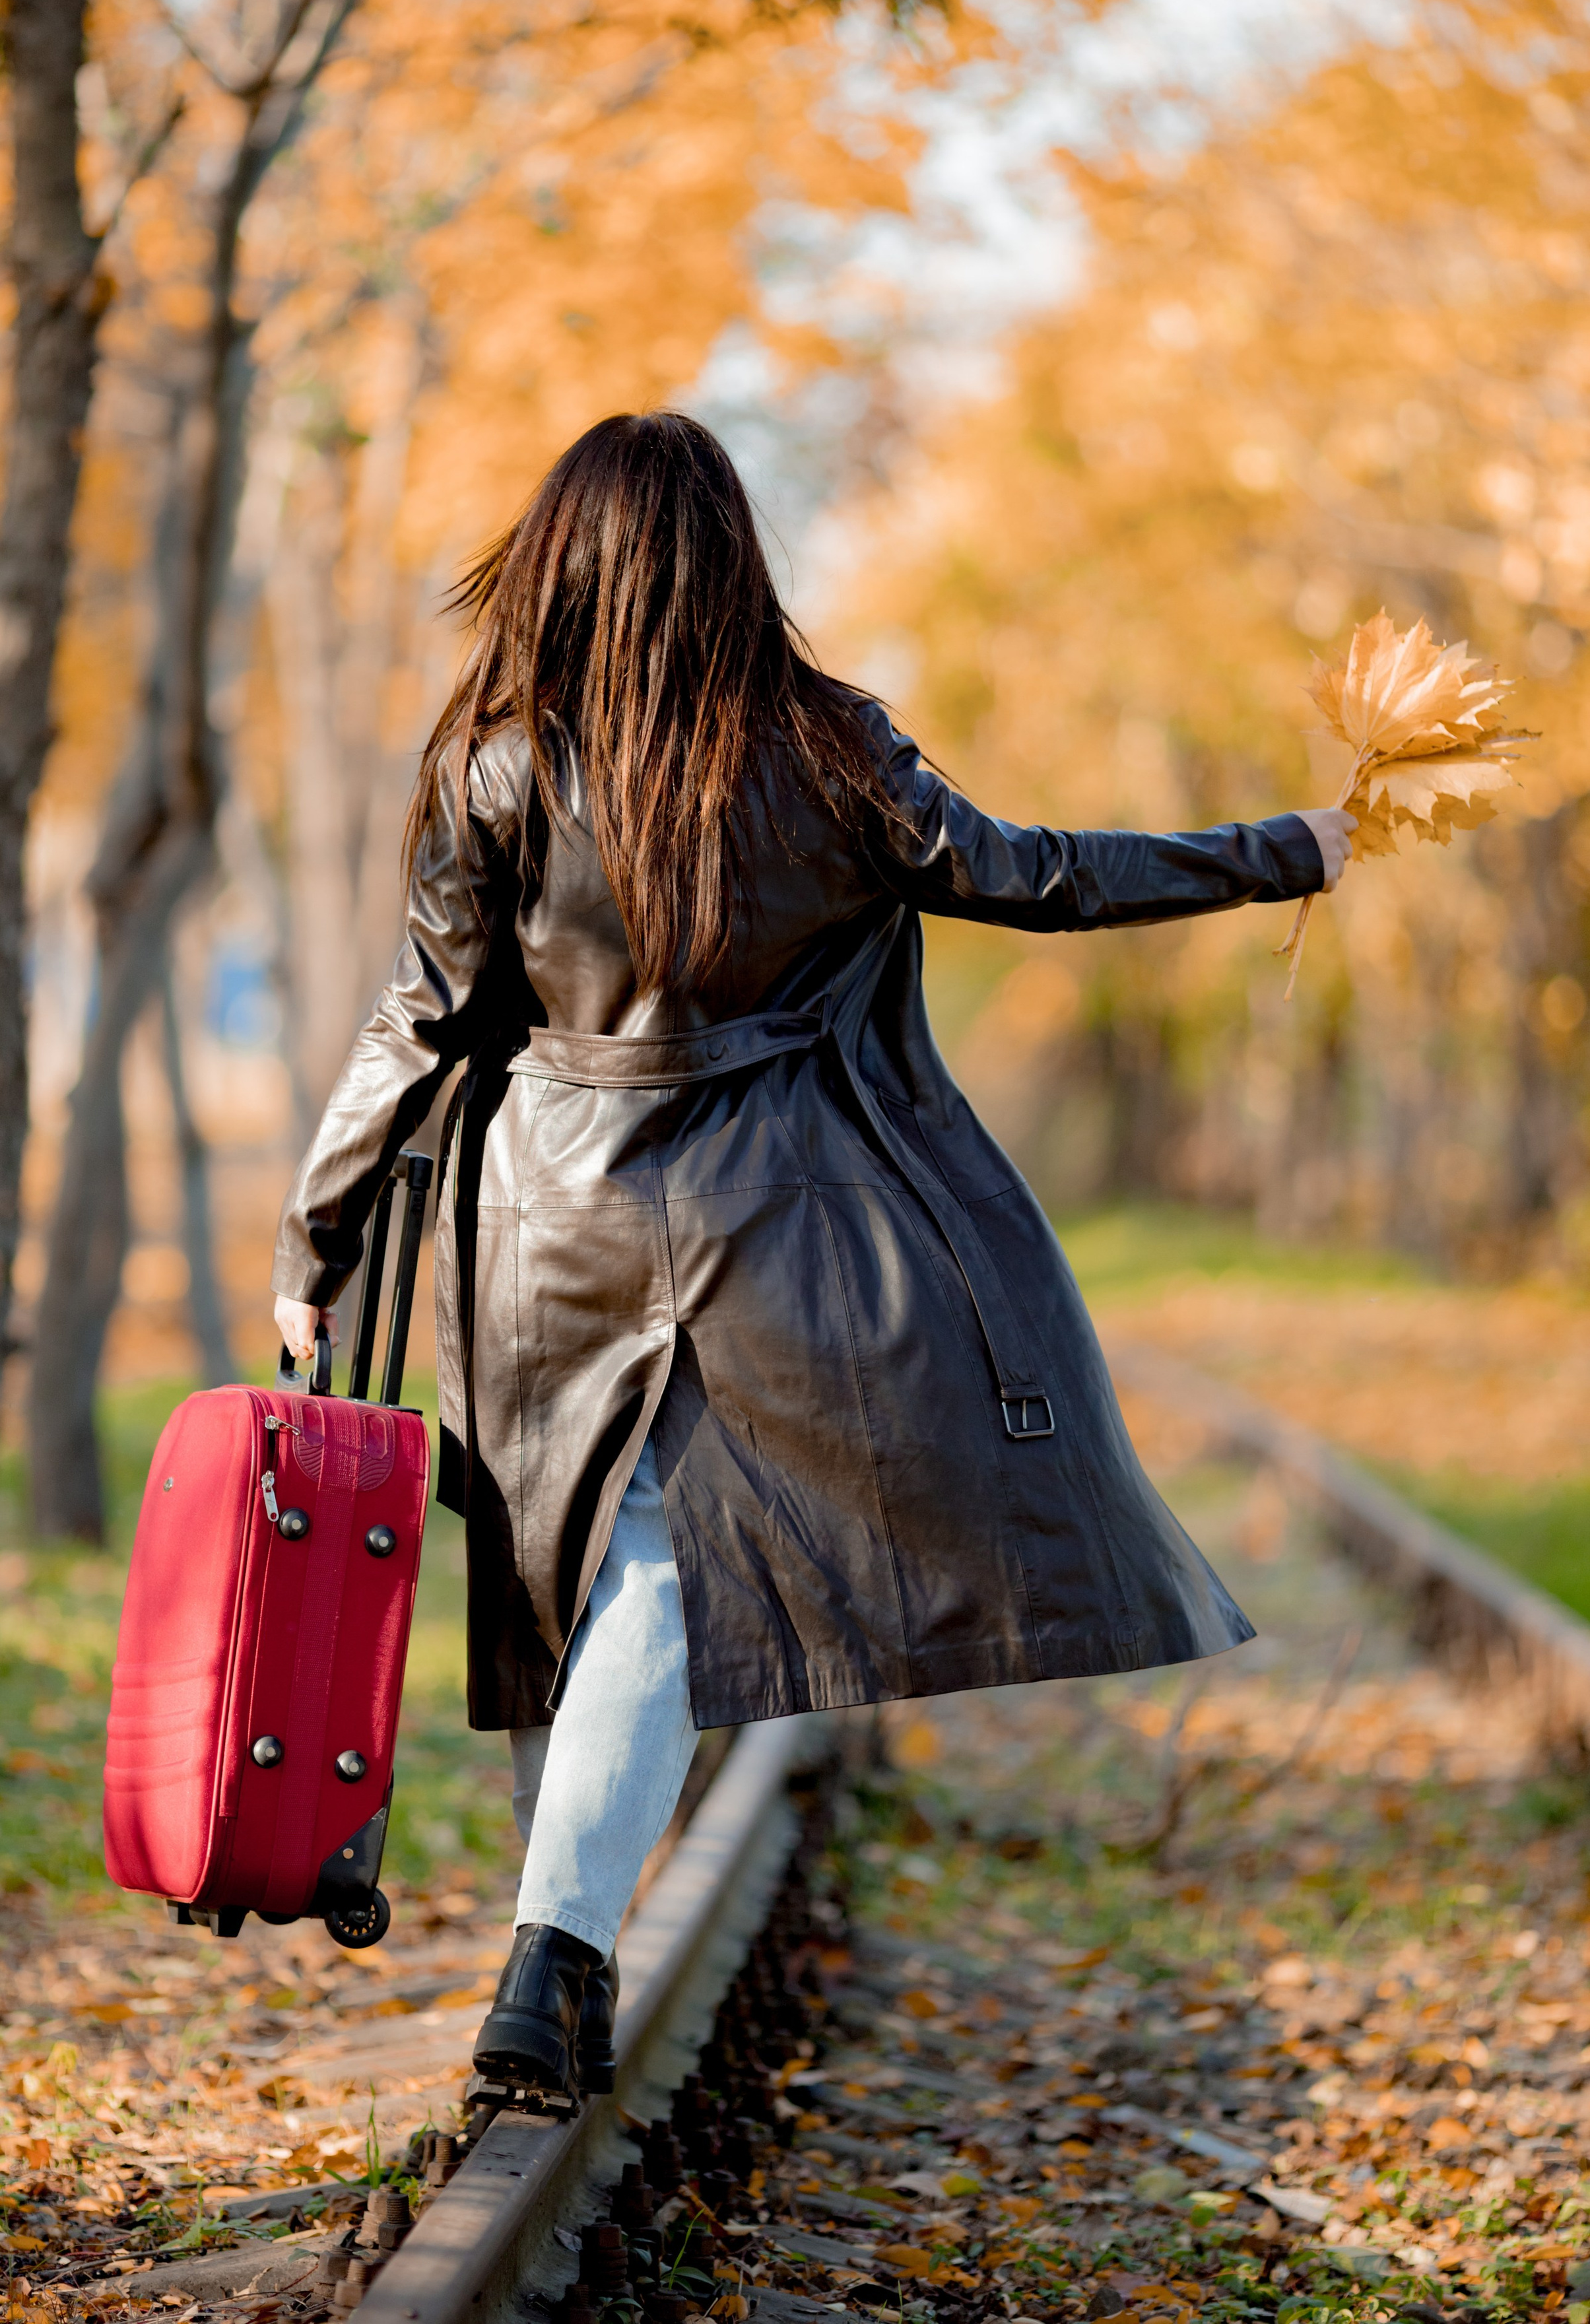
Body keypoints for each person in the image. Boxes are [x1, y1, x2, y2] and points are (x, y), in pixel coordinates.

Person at [271, 411, 1355, 2101]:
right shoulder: (825, 749)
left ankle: (551, 1954)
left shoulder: (491, 760)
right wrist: (1278, 851)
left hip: (541, 1223)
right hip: (759, 1225)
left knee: (578, 1581)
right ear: (729, 565)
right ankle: (555, 1951)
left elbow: (418, 1021)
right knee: (638, 1584)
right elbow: (1041, 879)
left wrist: (315, 1236)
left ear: (560, 562)